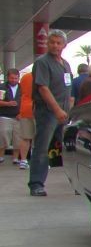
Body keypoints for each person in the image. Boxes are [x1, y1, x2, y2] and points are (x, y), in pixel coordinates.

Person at [28, 29, 73, 197]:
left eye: (58, 43)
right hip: (48, 112)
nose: (55, 45)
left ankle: (74, 182)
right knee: (42, 147)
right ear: (47, 43)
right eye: (52, 42)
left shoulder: (65, 64)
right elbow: (43, 88)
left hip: (63, 112)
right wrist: (57, 109)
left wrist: (68, 109)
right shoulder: (42, 62)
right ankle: (36, 184)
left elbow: (68, 88)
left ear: (64, 45)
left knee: (66, 148)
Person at [0, 68, 21, 163]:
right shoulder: (2, 87)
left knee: (18, 138)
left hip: (19, 117)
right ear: (8, 78)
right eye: (12, 78)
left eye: (16, 78)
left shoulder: (22, 88)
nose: (14, 80)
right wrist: (8, 104)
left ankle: (15, 158)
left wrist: (22, 113)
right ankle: (1, 156)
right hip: (5, 116)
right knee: (3, 135)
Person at [15, 70, 33, 169]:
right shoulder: (44, 76)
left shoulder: (25, 77)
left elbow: (21, 91)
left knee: (25, 137)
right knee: (39, 138)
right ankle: (37, 161)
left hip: (25, 108)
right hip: (39, 109)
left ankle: (23, 160)